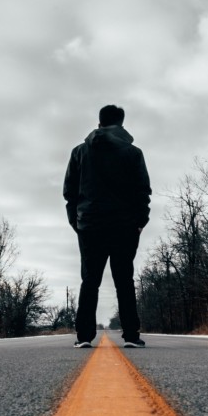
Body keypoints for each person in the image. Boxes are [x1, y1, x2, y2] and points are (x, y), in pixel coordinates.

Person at [63, 105, 152, 348]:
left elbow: (69, 193)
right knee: (124, 279)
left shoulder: (79, 152)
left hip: (90, 225)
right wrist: (139, 222)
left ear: (99, 123)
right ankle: (132, 335)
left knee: (90, 280)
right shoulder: (133, 153)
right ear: (121, 124)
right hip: (124, 226)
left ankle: (83, 337)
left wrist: (77, 222)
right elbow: (143, 191)